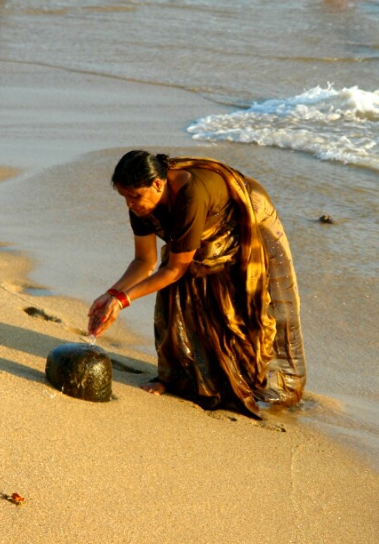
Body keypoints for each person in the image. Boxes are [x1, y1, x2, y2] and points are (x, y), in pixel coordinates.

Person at [88, 151, 306, 418]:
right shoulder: (141, 205)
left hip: (246, 225)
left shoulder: (191, 195)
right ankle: (179, 377)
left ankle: (255, 384)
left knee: (242, 311)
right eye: (124, 197)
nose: (130, 204)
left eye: (134, 196)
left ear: (158, 183)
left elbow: (175, 269)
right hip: (199, 238)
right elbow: (144, 261)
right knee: (177, 295)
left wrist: (122, 300)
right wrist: (111, 294)